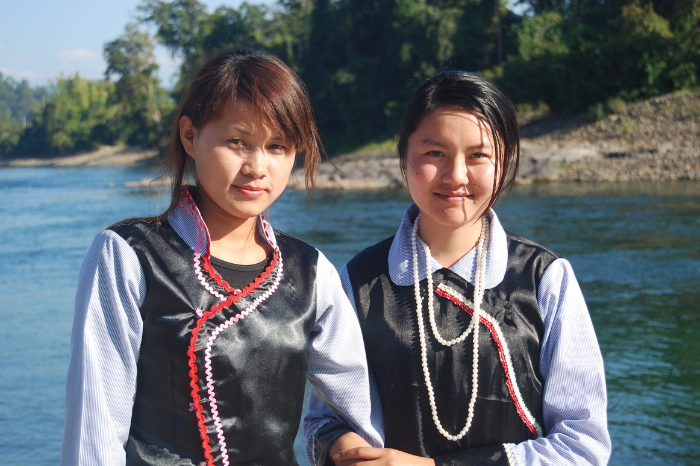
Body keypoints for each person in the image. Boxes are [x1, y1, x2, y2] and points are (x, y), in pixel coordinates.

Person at [61, 48, 382, 466]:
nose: (257, 167)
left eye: (278, 146)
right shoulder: (128, 255)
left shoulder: (311, 272)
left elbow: (354, 413)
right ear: (190, 136)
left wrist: (346, 444)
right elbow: (95, 431)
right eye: (237, 142)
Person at [306, 71, 611, 465]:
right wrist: (341, 445)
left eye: (478, 155)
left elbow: (582, 445)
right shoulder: (358, 281)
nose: (456, 176)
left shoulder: (544, 279)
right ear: (404, 157)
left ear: (504, 162)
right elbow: (322, 418)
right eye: (435, 153)